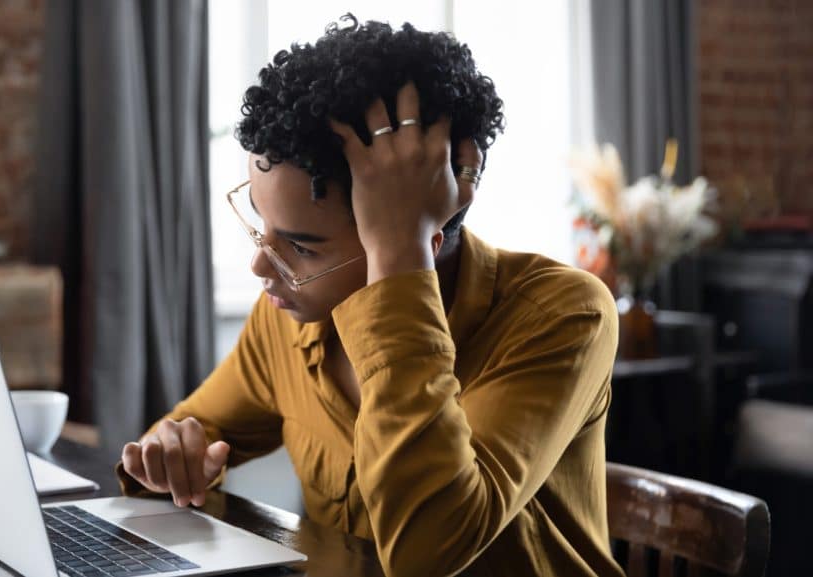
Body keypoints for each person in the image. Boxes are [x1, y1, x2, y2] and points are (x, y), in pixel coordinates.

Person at [117, 14, 624, 577]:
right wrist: (172, 452)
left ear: (424, 231)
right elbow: (193, 433)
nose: (261, 265)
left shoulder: (562, 314)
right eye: (261, 226)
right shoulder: (289, 319)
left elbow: (428, 553)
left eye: (301, 249)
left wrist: (400, 258)